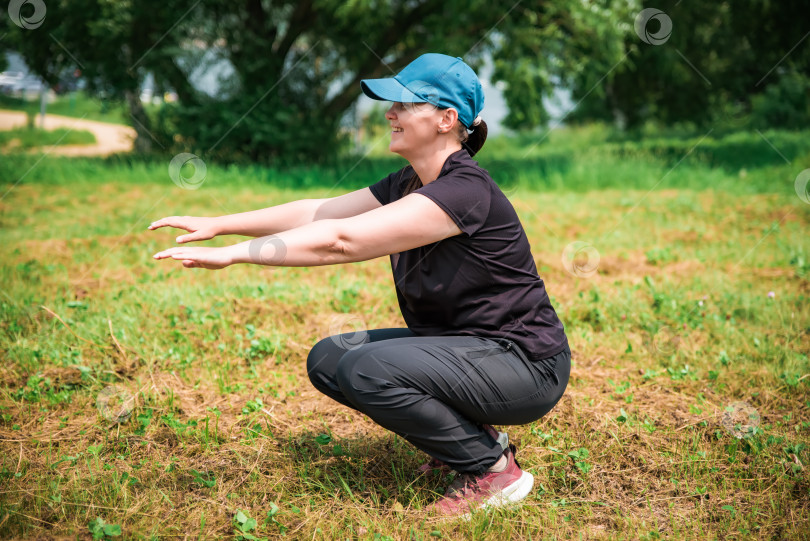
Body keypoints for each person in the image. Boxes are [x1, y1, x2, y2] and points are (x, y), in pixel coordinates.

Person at [150, 53, 570, 517]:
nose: (390, 113)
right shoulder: (411, 182)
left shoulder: (464, 190)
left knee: (369, 369)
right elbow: (321, 212)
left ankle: (492, 472)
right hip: (471, 348)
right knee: (332, 358)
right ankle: (472, 441)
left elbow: (342, 242)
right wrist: (219, 224)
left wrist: (234, 257)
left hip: (526, 365)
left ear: (447, 119)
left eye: (405, 105)